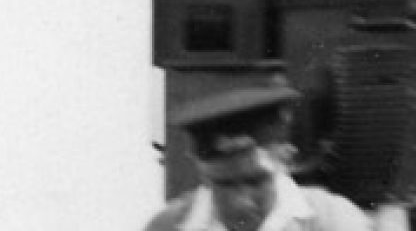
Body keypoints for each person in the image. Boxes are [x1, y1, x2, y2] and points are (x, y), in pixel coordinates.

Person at [144, 86, 372, 231]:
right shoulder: (171, 225)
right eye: (223, 184)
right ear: (202, 173)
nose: (241, 202)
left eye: (256, 181)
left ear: (286, 160)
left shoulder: (333, 220)